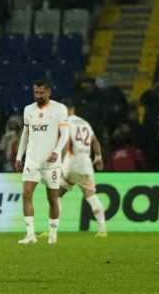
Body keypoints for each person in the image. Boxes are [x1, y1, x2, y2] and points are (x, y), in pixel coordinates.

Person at [14, 80, 70, 245]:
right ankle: (30, 234)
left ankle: (53, 232)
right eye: (35, 93)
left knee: (52, 198)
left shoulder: (59, 109)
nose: (38, 96)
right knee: (26, 194)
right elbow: (25, 135)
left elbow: (65, 135)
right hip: (32, 160)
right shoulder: (28, 110)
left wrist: (56, 152)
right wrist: (19, 157)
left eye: (41, 93)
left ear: (49, 93)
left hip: (51, 163)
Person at [56, 99, 108, 237]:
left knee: (57, 194)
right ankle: (102, 230)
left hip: (71, 164)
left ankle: (52, 229)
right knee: (91, 196)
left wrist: (59, 164)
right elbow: (95, 141)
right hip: (86, 164)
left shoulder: (65, 122)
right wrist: (98, 157)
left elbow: (66, 143)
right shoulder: (84, 123)